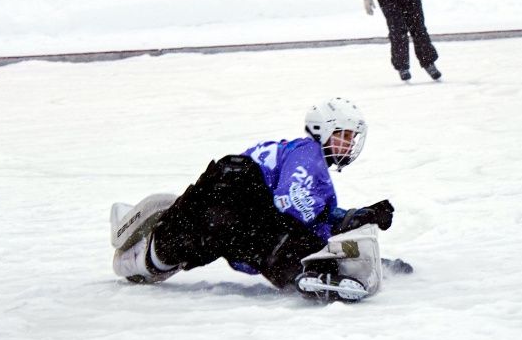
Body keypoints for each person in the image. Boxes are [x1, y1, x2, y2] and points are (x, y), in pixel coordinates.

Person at [111, 98, 394, 302]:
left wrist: (358, 217)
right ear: (323, 131)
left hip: (226, 199)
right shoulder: (309, 152)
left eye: (352, 137)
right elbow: (293, 205)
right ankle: (316, 270)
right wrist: (337, 237)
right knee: (274, 243)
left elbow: (310, 213)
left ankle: (149, 253)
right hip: (234, 190)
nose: (349, 143)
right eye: (343, 135)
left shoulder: (309, 166)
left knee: (202, 245)